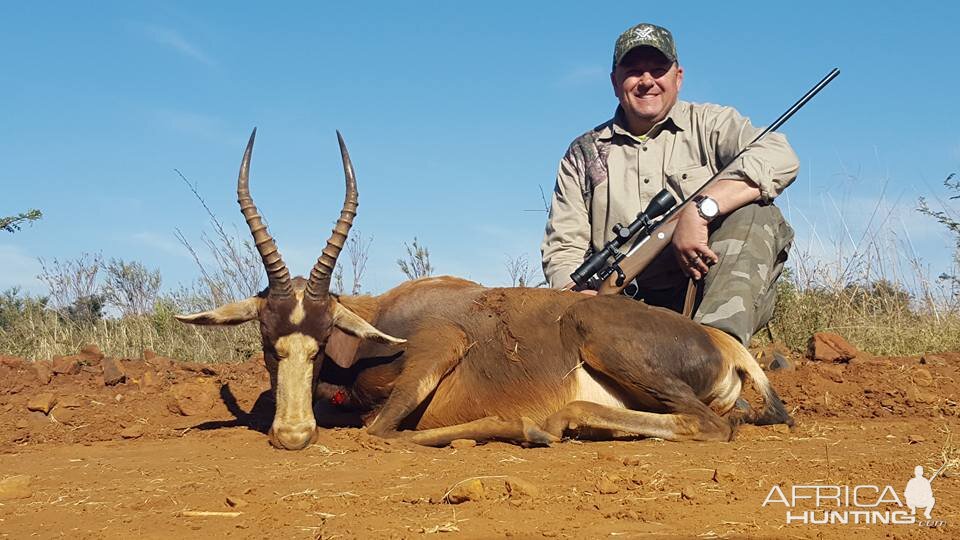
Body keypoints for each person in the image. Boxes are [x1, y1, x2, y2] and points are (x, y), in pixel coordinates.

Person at [541, 23, 799, 346]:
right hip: (619, 312)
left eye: (658, 70)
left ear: (678, 77)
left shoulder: (710, 124)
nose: (647, 81)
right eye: (633, 71)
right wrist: (580, 300)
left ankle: (718, 359)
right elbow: (563, 250)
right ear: (614, 82)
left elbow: (780, 155)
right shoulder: (583, 153)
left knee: (756, 214)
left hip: (703, 294)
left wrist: (701, 209)